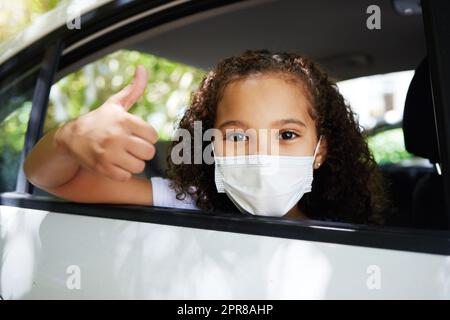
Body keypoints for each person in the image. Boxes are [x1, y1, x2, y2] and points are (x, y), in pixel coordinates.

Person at [24, 49, 388, 224]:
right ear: (210, 145)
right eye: (237, 137)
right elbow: (49, 178)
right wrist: (68, 138)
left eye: (287, 134)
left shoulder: (353, 234)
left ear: (320, 150)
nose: (262, 157)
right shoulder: (189, 203)